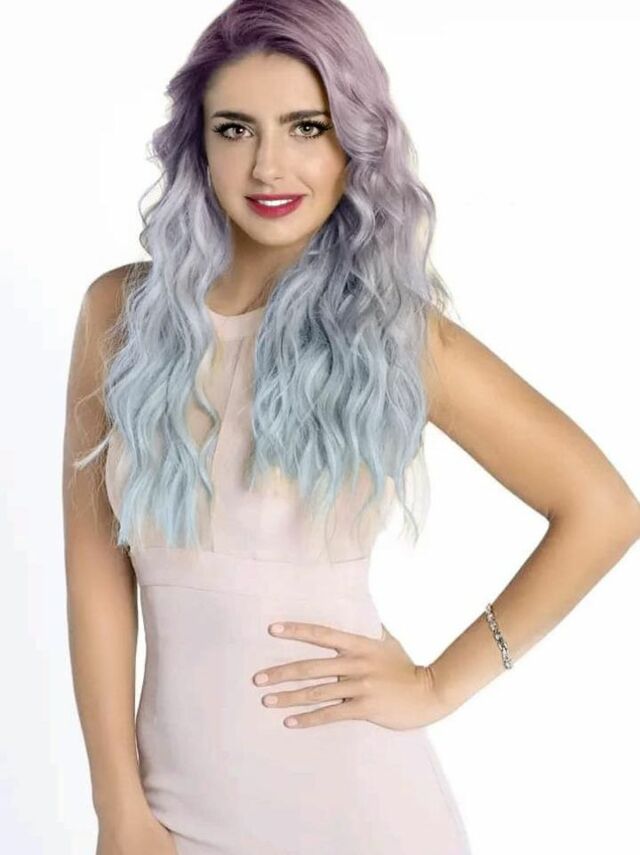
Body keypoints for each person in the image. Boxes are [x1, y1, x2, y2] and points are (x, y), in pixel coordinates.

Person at [62, 1, 640, 853]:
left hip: (362, 811)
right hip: (168, 817)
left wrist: (438, 684)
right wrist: (118, 806)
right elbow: (94, 576)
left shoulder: (393, 336)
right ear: (199, 144)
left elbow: (603, 508)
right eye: (236, 129)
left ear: (354, 143)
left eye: (307, 126)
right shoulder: (120, 313)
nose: (269, 165)